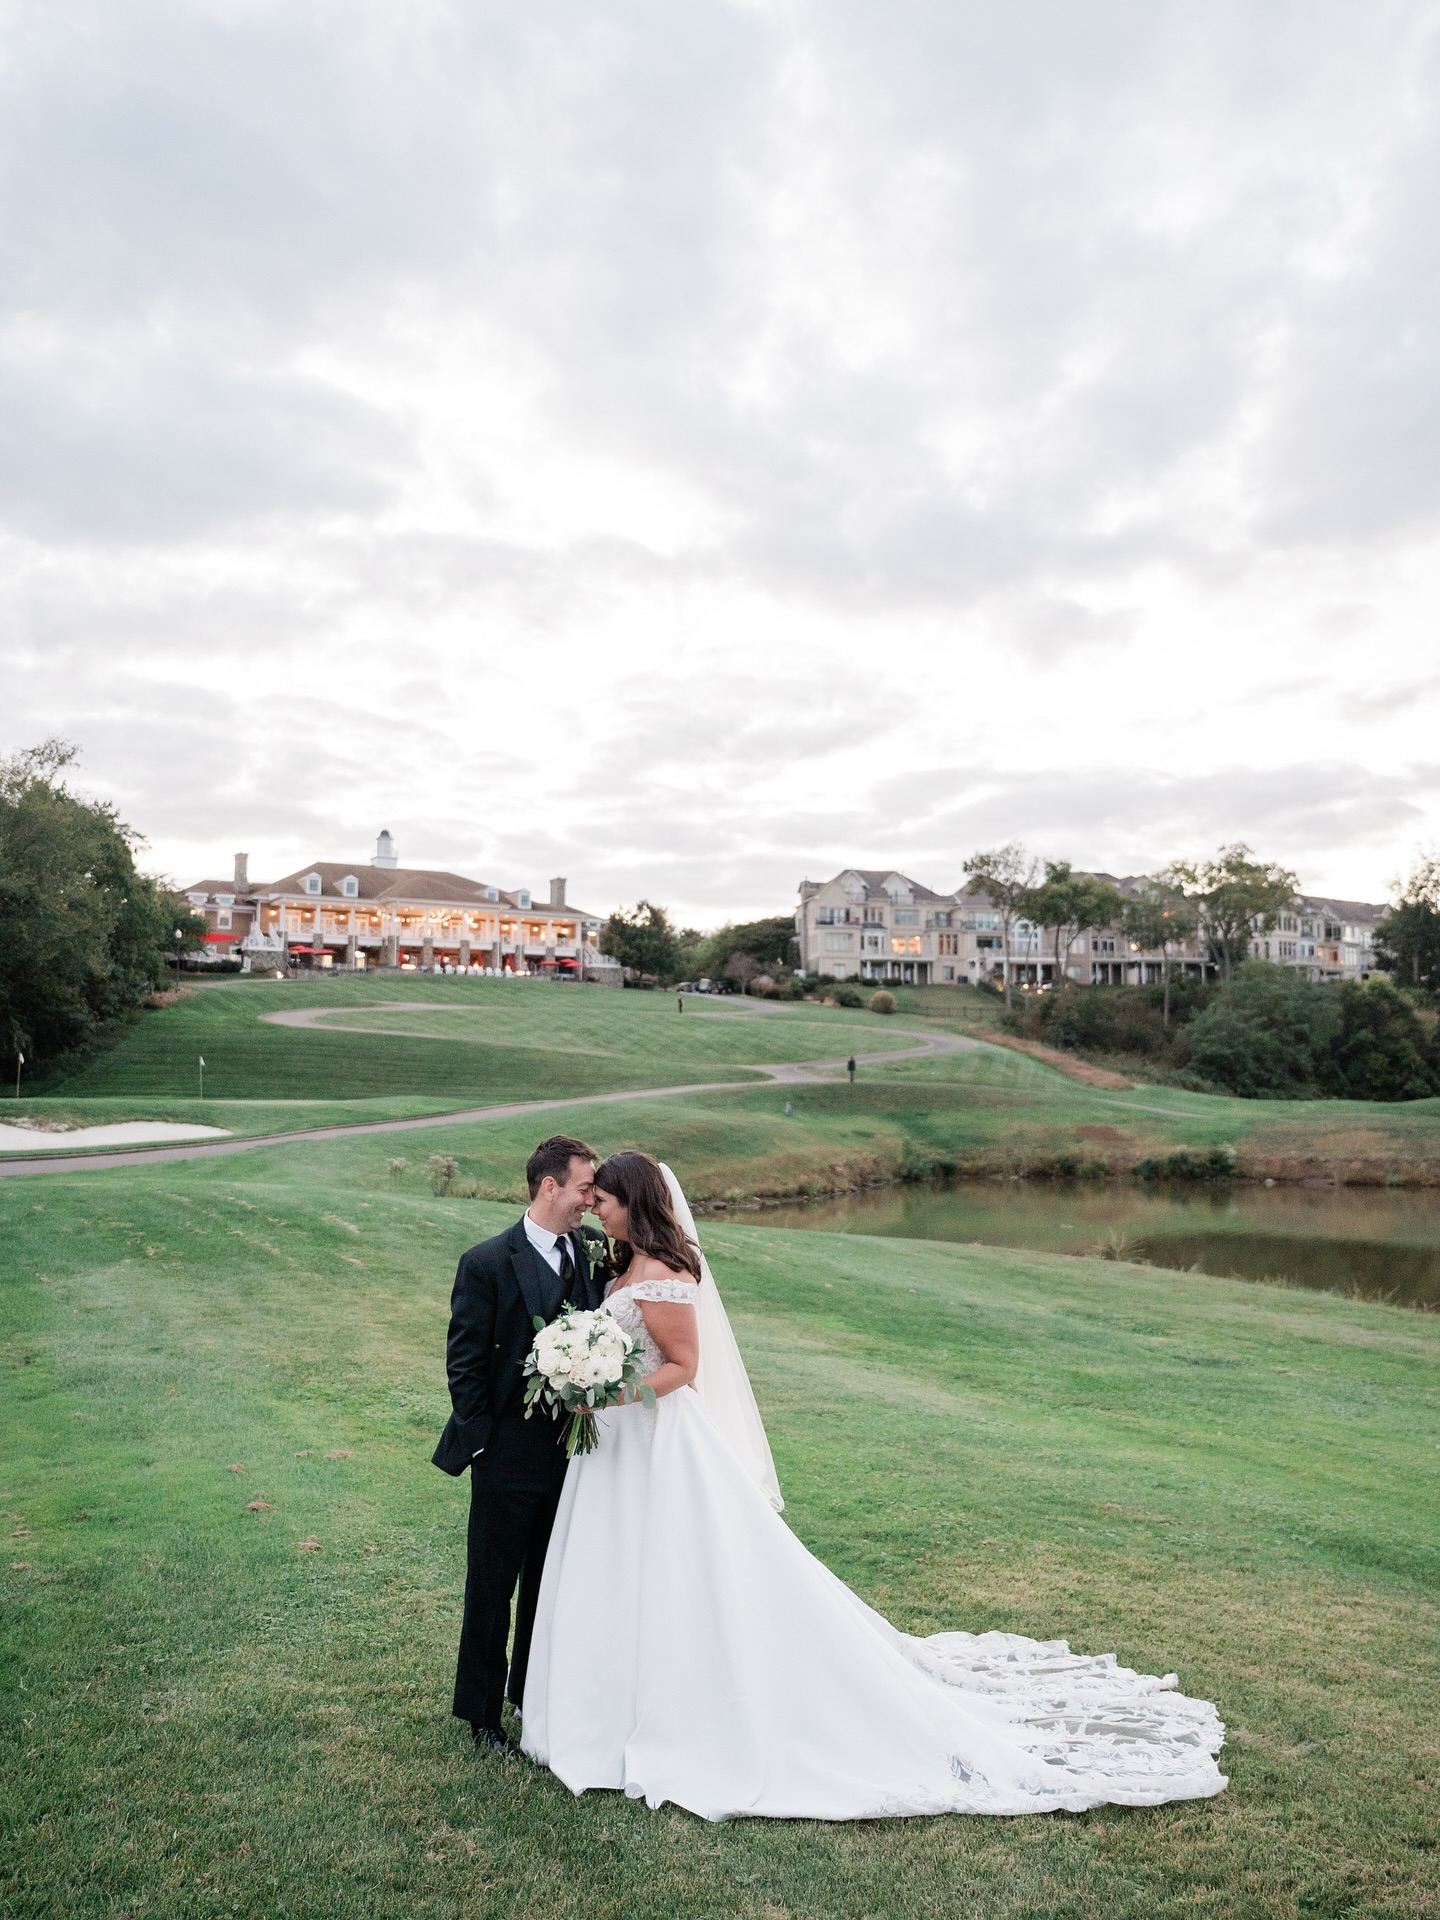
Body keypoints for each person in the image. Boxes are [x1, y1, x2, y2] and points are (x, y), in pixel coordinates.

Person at [520, 1151, 1227, 1821]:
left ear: (633, 1201)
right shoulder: (618, 1267)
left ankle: (688, 1712)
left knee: (680, 1572)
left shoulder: (667, 1272)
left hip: (658, 1442)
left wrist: (609, 1397)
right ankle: (601, 1713)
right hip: (613, 1452)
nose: (595, 1209)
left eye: (603, 1199)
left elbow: (684, 1368)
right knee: (617, 1573)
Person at [432, 1134, 609, 1753]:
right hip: (506, 1454)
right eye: (585, 1188)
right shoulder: (484, 1263)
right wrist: (482, 1445)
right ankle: (482, 1717)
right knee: (493, 1583)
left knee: (549, 1581)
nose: (593, 1199)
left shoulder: (592, 1251)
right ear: (549, 1186)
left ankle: (530, 1695)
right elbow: (465, 1365)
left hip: (576, 1453)